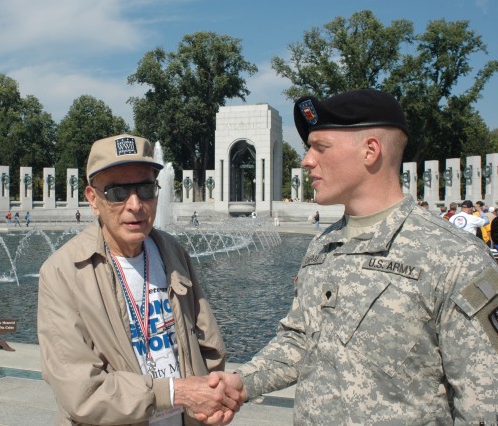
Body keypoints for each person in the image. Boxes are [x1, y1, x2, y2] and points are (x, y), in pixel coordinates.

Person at [211, 89, 498, 423]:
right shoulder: (322, 247)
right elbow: (300, 341)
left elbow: (485, 406)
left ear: (370, 151)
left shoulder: (455, 258)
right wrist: (241, 382)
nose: (306, 161)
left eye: (320, 147)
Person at [37, 134, 244, 426]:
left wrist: (211, 399)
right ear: (93, 199)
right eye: (117, 192)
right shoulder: (62, 273)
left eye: (146, 188)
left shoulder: (173, 252)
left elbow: (209, 344)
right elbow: (80, 392)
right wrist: (174, 393)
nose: (135, 204)